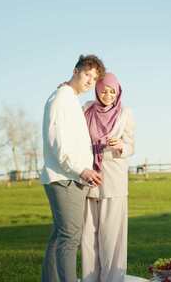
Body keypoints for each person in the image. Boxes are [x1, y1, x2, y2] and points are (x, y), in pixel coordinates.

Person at [40, 55, 106, 282]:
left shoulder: (70, 99)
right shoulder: (61, 99)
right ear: (76, 70)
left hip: (71, 177)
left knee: (60, 235)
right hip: (65, 178)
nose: (90, 81)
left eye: (94, 78)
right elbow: (57, 144)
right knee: (69, 237)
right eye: (87, 74)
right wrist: (81, 170)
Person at [81, 72, 136, 282]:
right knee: (88, 237)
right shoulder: (86, 109)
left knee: (112, 237)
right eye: (104, 90)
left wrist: (122, 145)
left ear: (118, 91)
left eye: (113, 91)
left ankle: (113, 279)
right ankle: (90, 278)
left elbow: (131, 146)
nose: (108, 95)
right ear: (97, 89)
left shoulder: (126, 113)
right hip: (89, 179)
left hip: (114, 182)